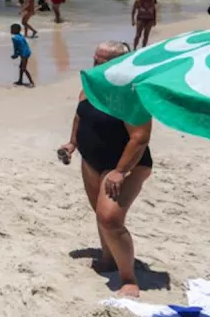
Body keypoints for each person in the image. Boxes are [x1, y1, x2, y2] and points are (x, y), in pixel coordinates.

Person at [57, 41, 152, 299]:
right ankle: (108, 259)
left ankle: (129, 278)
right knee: (99, 213)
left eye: (102, 62)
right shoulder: (90, 85)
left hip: (124, 165)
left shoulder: (131, 93)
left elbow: (140, 138)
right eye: (95, 60)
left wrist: (120, 171)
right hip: (91, 160)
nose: (95, 65)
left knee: (110, 219)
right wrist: (73, 143)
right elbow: (80, 116)